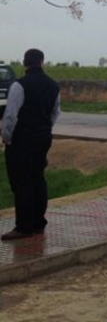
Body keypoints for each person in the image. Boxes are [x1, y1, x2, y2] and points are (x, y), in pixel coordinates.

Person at [1, 48, 60, 240]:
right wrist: (44, 129)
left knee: (22, 182)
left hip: (22, 139)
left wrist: (6, 137)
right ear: (42, 62)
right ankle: (38, 223)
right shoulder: (53, 85)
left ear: (24, 63)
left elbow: (11, 115)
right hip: (43, 137)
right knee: (38, 178)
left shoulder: (19, 85)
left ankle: (24, 227)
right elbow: (55, 113)